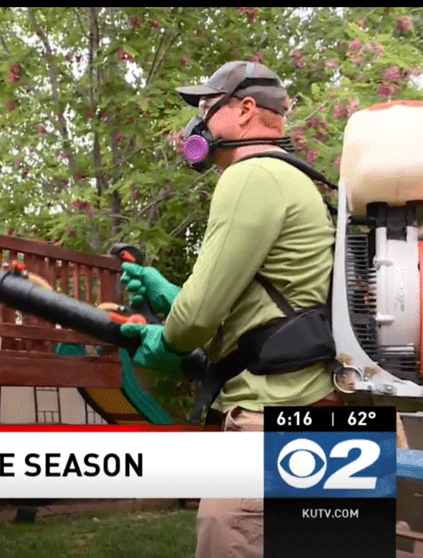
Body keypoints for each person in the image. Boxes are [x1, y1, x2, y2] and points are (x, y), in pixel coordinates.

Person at [118, 60, 341, 558]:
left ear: (244, 111)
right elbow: (263, 314)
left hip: (272, 420)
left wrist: (163, 337)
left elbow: (197, 320)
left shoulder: (250, 176)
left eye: (205, 109)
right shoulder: (300, 180)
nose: (196, 125)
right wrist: (170, 293)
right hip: (325, 418)